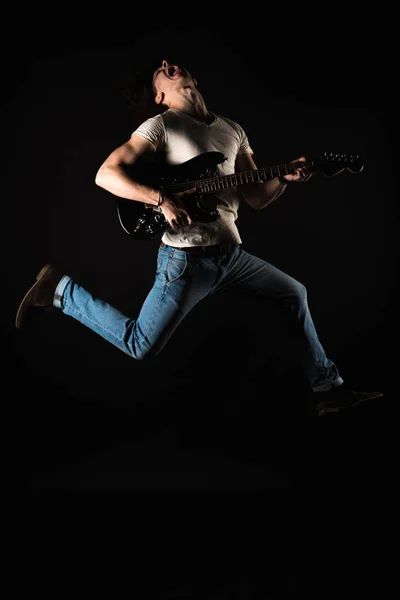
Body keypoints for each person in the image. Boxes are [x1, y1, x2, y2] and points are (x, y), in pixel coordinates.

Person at [15, 58, 383, 417]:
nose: (167, 63)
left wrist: (285, 179)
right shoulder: (160, 126)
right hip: (186, 260)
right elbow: (106, 174)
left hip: (232, 257)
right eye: (161, 70)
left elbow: (256, 197)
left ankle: (329, 391)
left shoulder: (233, 130)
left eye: (171, 63)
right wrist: (161, 199)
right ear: (159, 96)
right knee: (140, 345)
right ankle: (60, 290)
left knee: (294, 293)